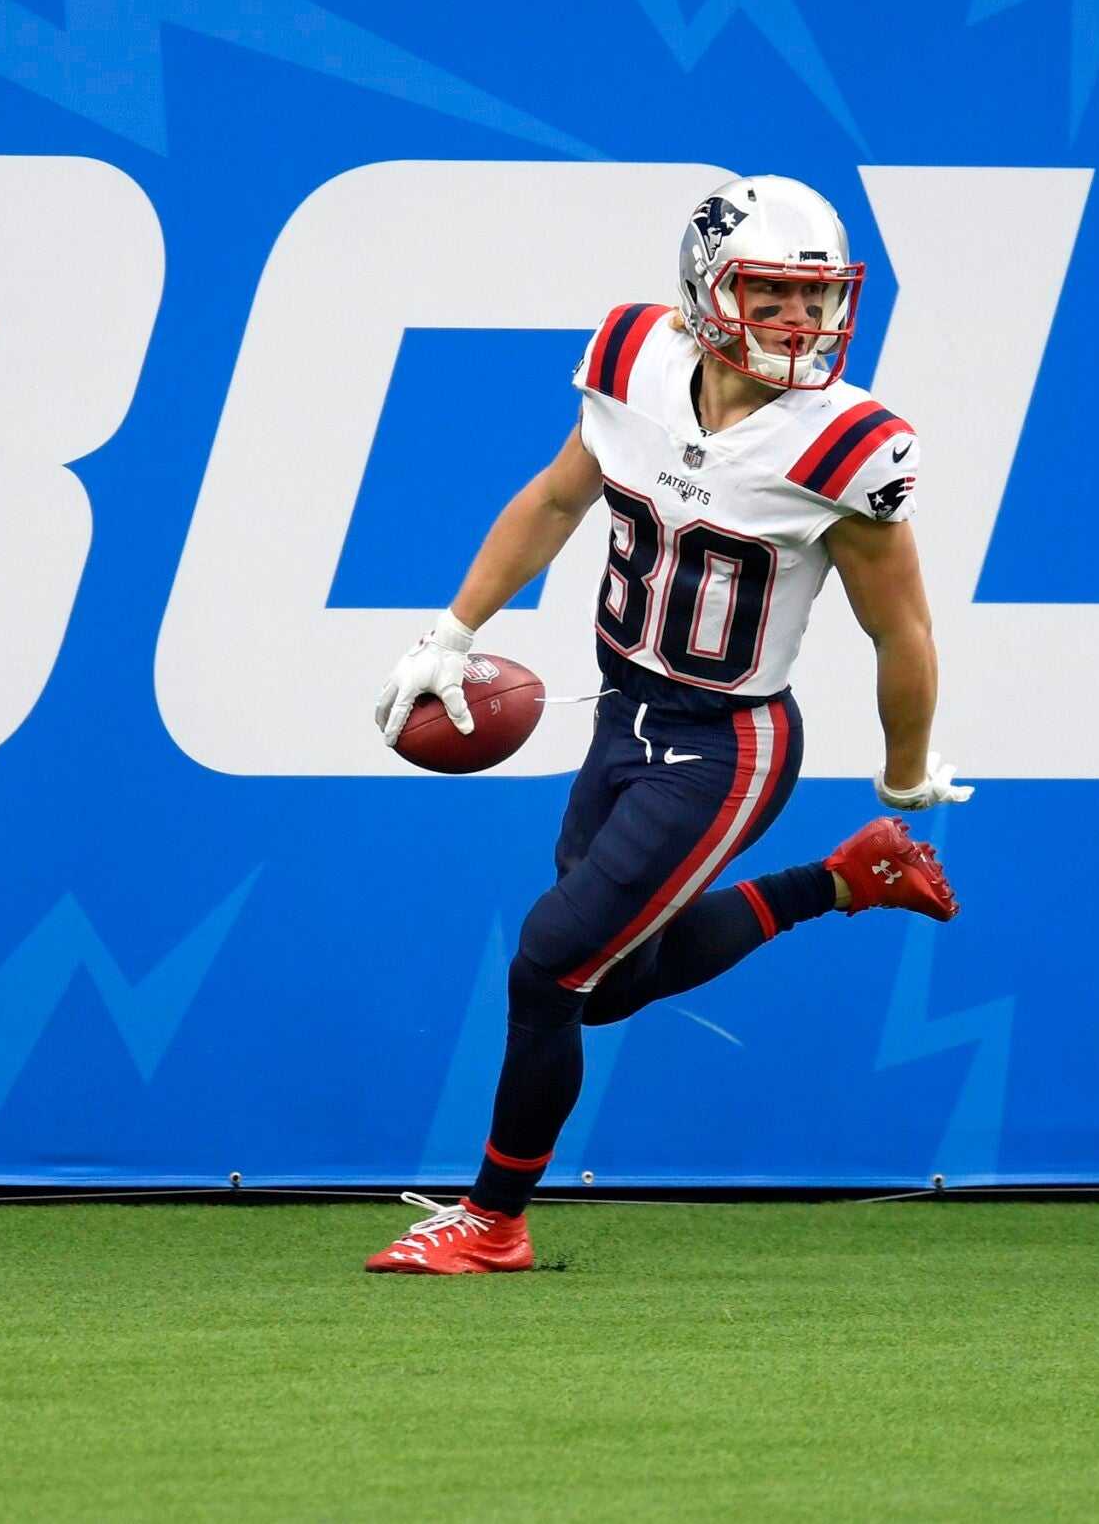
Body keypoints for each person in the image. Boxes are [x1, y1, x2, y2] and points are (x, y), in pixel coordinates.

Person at [365, 176, 971, 1275]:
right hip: (621, 719)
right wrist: (451, 633)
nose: (799, 321)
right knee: (602, 990)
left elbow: (902, 629)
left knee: (548, 969)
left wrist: (905, 769)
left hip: (725, 748)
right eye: (772, 293)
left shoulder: (846, 444)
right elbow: (556, 498)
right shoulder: (634, 359)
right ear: (702, 290)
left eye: (815, 297)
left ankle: (493, 1220)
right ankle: (842, 882)